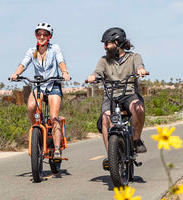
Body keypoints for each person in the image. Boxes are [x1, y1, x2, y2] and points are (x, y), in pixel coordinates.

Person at [86, 27, 148, 169]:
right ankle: (111, 156)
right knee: (106, 119)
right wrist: (93, 76)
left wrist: (140, 70)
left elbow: (139, 65)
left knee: (138, 107)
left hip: (129, 93)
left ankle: (136, 140)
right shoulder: (103, 60)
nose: (104, 47)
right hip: (110, 96)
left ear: (117, 42)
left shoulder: (133, 57)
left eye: (107, 43)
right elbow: (97, 71)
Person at [10, 22, 71, 159]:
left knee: (54, 117)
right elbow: (24, 63)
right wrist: (16, 73)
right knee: (31, 106)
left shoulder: (54, 49)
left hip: (53, 84)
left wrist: (65, 72)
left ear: (49, 36)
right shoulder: (33, 51)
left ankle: (56, 149)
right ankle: (36, 132)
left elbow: (61, 61)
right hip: (38, 85)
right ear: (36, 35)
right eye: (39, 34)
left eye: (45, 34)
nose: (41, 36)